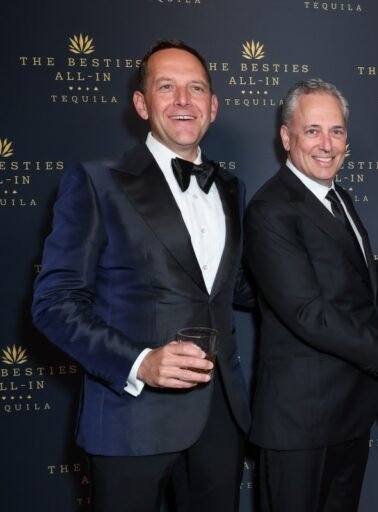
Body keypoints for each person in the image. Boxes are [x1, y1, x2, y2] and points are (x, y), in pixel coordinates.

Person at [32, 40, 252, 512]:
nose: (183, 100)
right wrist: (140, 362)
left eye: (196, 88)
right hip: (130, 421)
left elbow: (235, 286)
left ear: (213, 106)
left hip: (220, 419)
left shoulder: (231, 187)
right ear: (141, 103)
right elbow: (55, 304)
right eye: (166, 87)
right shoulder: (96, 181)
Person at [243, 78, 378, 512]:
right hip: (300, 421)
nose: (327, 144)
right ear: (286, 137)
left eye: (336, 131)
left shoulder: (339, 197)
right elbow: (308, 311)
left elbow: (336, 282)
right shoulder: (271, 209)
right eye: (312, 130)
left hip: (348, 410)